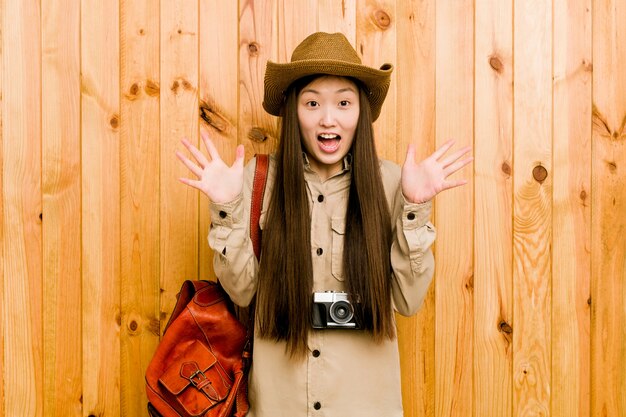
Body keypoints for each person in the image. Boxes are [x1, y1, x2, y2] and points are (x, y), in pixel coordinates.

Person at [176, 32, 472, 417]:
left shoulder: (393, 183)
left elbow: (408, 300)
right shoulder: (257, 180)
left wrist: (415, 207)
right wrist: (226, 205)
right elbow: (244, 293)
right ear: (293, 111)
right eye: (312, 102)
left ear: (360, 112)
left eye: (343, 103)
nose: (328, 118)